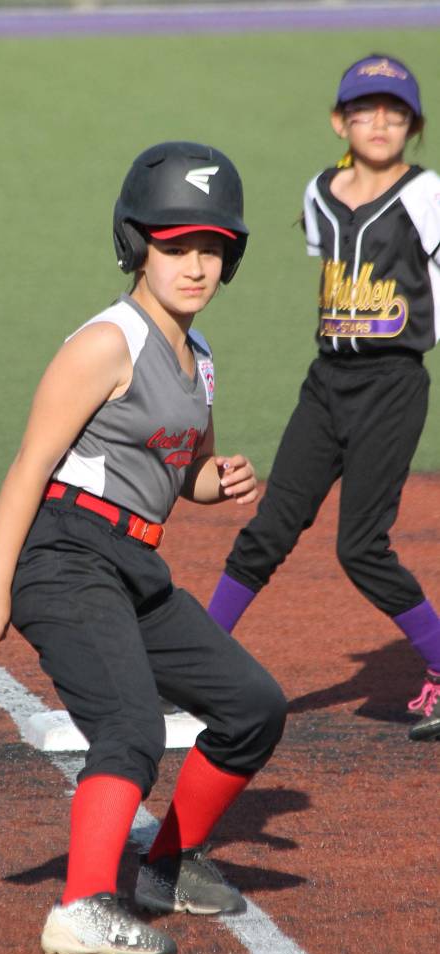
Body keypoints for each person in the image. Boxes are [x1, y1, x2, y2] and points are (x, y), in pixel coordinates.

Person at [0, 141, 287, 954]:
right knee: (130, 727)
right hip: (64, 557)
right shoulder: (107, 342)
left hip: (135, 565)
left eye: (213, 247)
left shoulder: (198, 360)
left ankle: (165, 867)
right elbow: (32, 462)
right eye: (176, 244)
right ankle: (80, 908)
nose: (197, 264)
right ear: (137, 243)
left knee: (252, 706)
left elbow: (185, 477)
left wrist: (221, 477)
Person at [207, 55, 440, 742]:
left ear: (412, 127)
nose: (378, 122)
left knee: (360, 547)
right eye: (363, 110)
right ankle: (192, 662)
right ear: (339, 121)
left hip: (392, 385)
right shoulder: (318, 192)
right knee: (267, 531)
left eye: (393, 112)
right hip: (325, 385)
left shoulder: (426, 196)